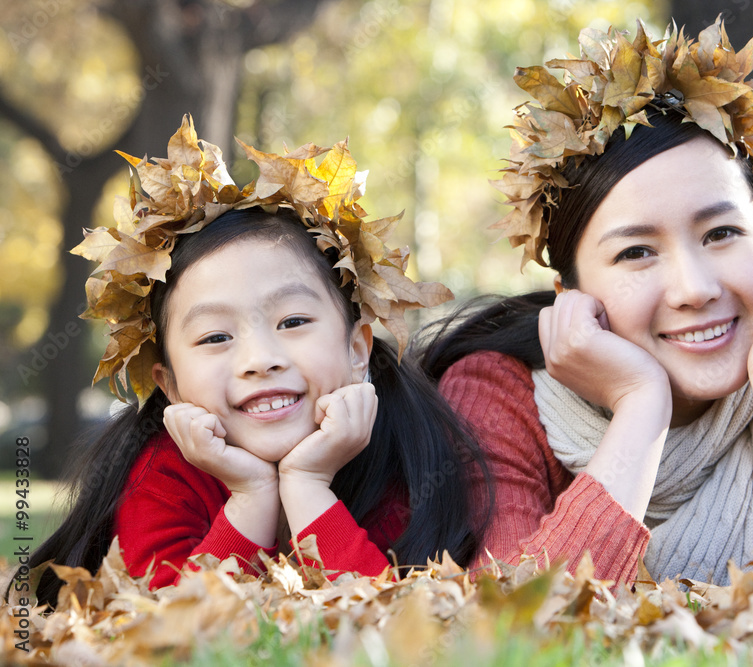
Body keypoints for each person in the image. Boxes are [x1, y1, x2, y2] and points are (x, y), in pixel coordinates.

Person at [419, 19, 753, 588]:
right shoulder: (501, 392)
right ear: (572, 299)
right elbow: (512, 615)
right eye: (636, 252)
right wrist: (639, 408)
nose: (695, 288)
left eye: (720, 234)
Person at [25, 117, 482, 608]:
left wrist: (308, 487)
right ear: (171, 386)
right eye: (216, 336)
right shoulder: (163, 475)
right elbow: (172, 631)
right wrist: (251, 497)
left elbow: (398, 619)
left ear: (356, 350)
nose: (260, 360)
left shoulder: (399, 451)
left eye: (293, 322)